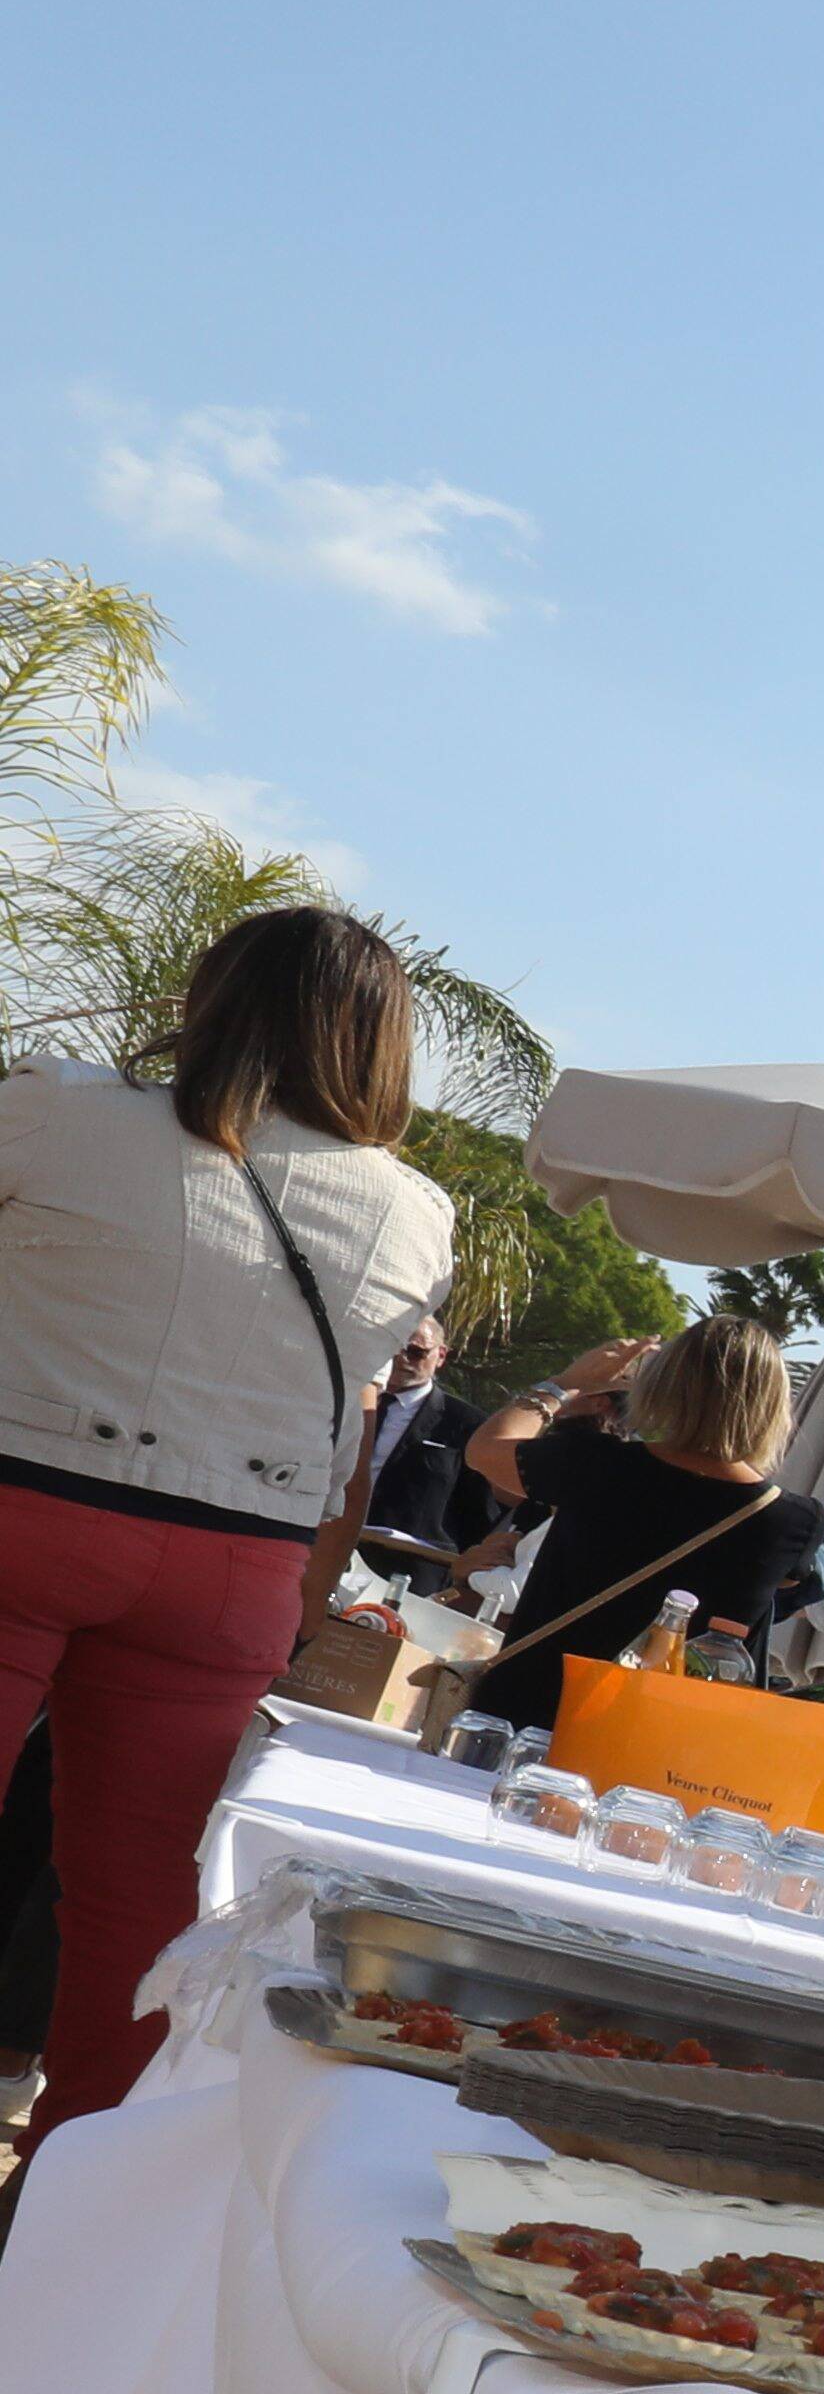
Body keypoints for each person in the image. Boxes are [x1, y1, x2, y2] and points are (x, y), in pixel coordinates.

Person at [0, 906, 457, 2124]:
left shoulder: (60, 1107)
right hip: (229, 1561)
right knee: (135, 1910)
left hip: (26, 1500)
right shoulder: (415, 1214)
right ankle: (65, 2212)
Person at [462, 1312, 821, 1736]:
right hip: (661, 1746)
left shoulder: (598, 1464)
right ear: (773, 1406)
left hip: (528, 1713)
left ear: (665, 1384)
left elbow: (485, 1451)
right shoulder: (791, 1520)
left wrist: (564, 1384)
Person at [349, 1313, 482, 1572]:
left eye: (416, 1352)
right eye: (394, 1349)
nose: (401, 1359)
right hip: (325, 1541)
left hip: (406, 1566)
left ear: (441, 1355)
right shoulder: (347, 1397)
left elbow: (478, 1516)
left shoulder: (467, 1424)